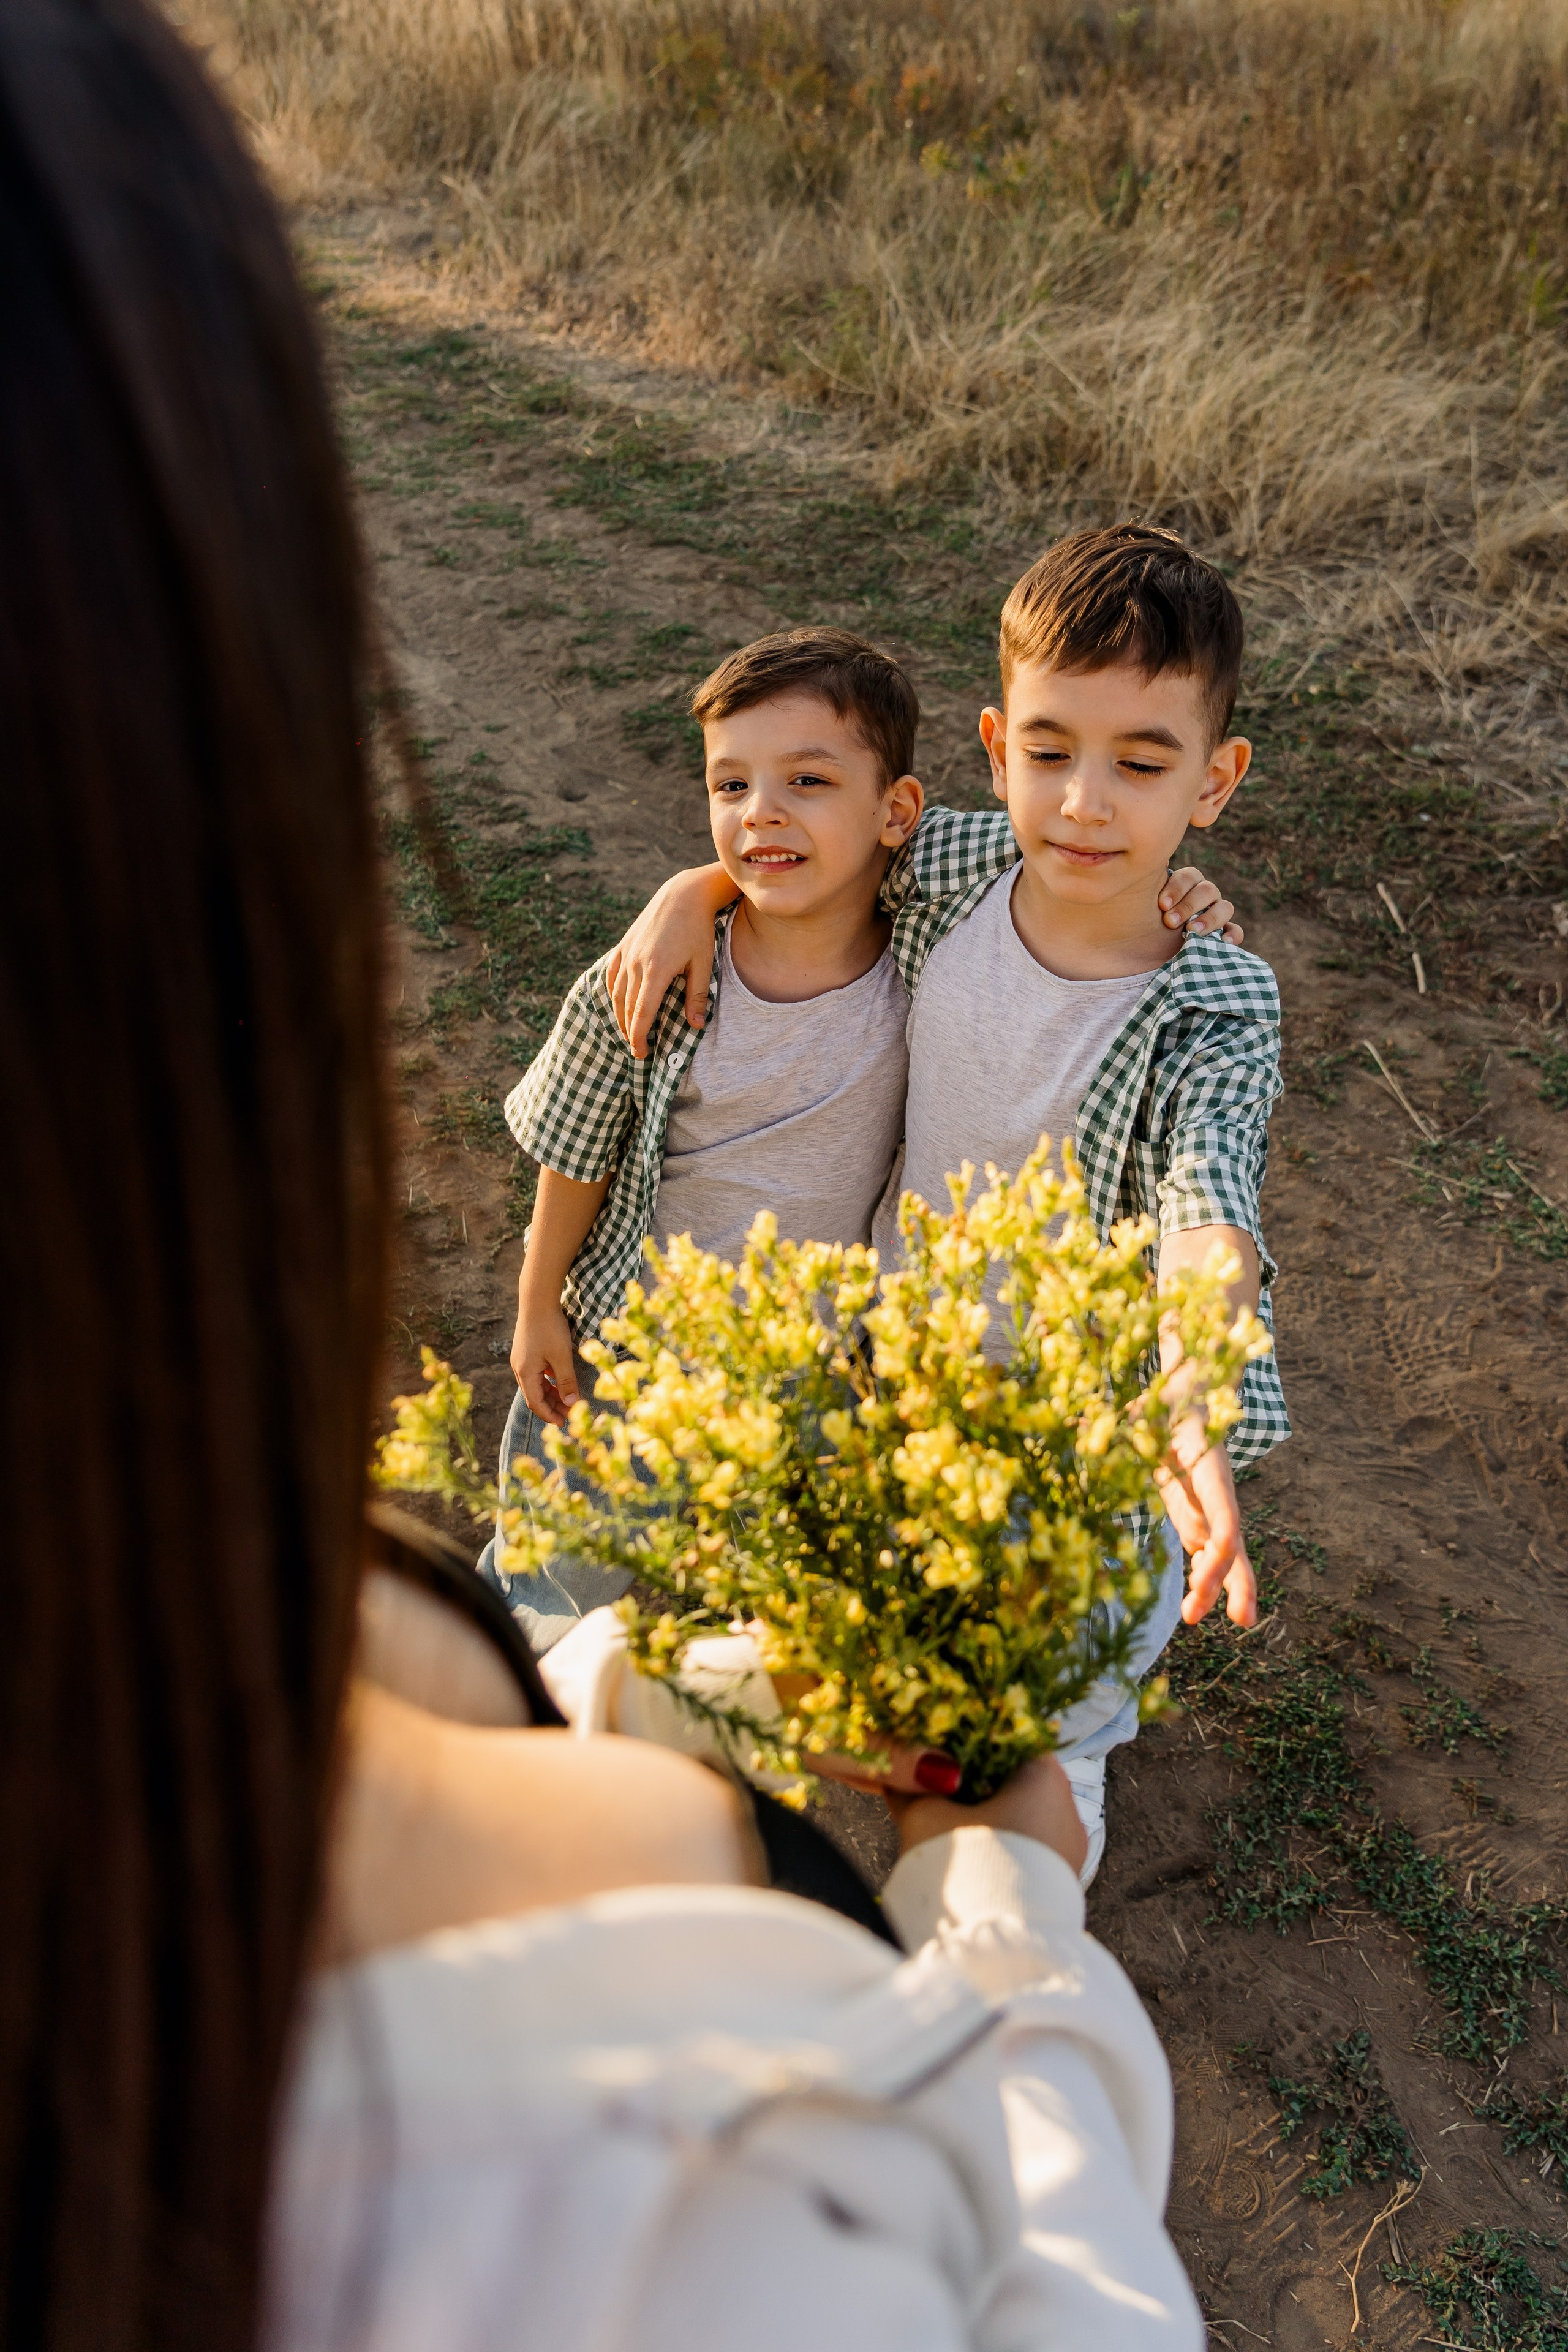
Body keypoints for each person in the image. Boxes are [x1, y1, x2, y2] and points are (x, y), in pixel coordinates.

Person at [1, 3, 1205, 2345]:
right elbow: (1067, 2298)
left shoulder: (947, 897)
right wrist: (994, 1911)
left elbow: (1045, 853)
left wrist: (1162, 900)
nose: (755, 834)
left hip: (796, 1383)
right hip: (681, 1429)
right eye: (720, 805)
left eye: (802, 798)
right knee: (613, 1567)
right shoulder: (673, 2134)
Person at [603, 529, 1287, 1881]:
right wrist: (696, 889)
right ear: (991, 747)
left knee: (1040, 1716)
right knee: (882, 1631)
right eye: (1048, 751)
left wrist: (1192, 1385)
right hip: (902, 1358)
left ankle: (1025, 1900)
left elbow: (1206, 1201)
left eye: (1140, 765)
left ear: (1213, 781)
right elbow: (804, 838)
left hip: (1084, 1426)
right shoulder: (960, 869)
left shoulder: (1212, 999)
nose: (1084, 803)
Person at [491, 627, 1240, 1653]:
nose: (761, 811)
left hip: (810, 1377)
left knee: (771, 1614)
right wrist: (539, 1303)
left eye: (806, 779)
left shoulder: (923, 954)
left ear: (898, 814)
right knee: (556, 1586)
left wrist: (1182, 888)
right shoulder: (660, 983)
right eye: (731, 786)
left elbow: (1071, 866)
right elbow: (576, 1145)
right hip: (623, 1359)